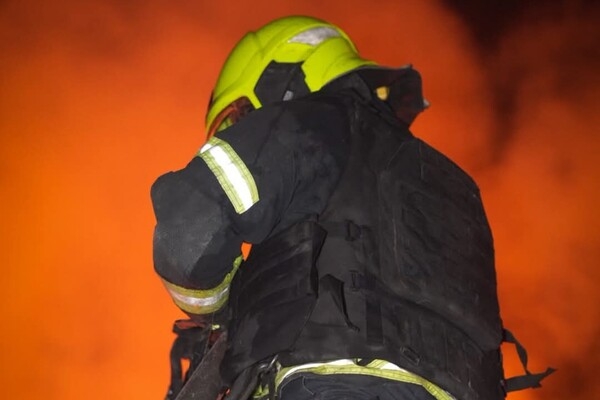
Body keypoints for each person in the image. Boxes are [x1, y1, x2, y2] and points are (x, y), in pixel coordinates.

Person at [151, 15, 554, 400]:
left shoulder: (309, 122)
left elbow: (189, 231)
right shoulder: (458, 188)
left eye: (239, 116)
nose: (242, 129)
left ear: (280, 79)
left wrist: (219, 308)